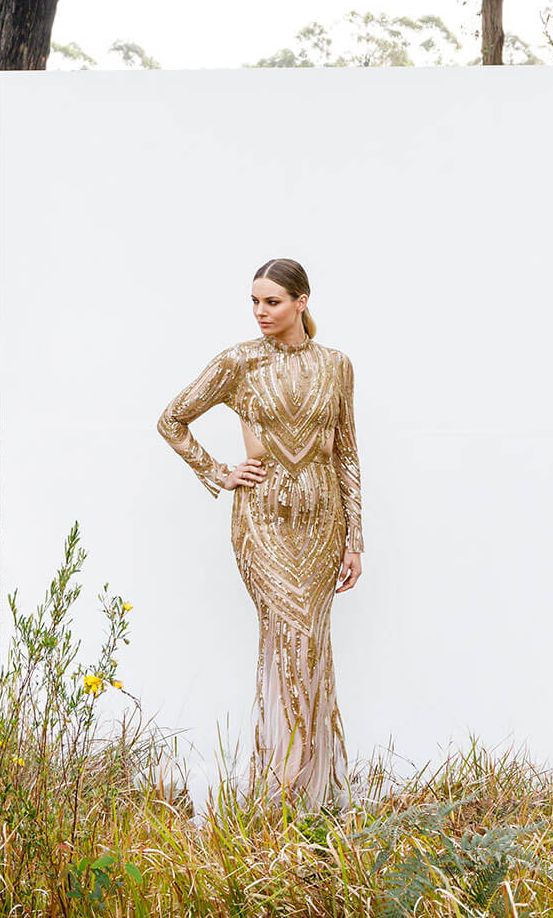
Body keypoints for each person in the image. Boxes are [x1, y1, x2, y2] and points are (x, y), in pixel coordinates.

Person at [156, 257, 363, 811]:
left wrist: (355, 541)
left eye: (272, 301)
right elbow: (172, 419)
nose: (260, 312)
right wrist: (219, 472)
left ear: (302, 301)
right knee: (287, 637)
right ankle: (280, 789)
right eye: (254, 301)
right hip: (263, 520)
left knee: (312, 644)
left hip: (324, 523)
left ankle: (313, 794)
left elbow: (346, 454)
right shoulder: (238, 362)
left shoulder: (337, 366)